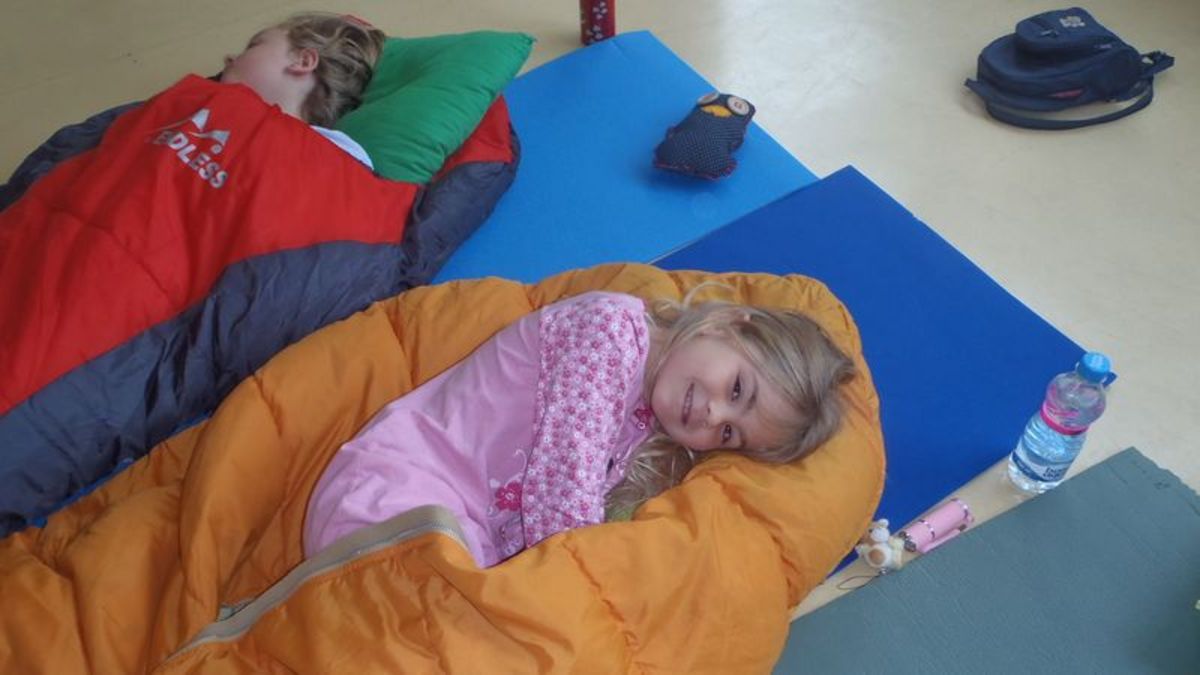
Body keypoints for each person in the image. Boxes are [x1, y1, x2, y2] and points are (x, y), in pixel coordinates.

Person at [303, 286, 857, 567]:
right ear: (732, 324)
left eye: (729, 435)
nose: (714, 416)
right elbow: (563, 488)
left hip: (460, 537)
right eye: (737, 390)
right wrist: (584, 579)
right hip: (392, 494)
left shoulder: (647, 419)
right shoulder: (611, 331)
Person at [219, 12, 386, 168]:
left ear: (304, 61)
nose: (229, 58)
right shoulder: (213, 113)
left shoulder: (341, 154)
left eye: (253, 46)